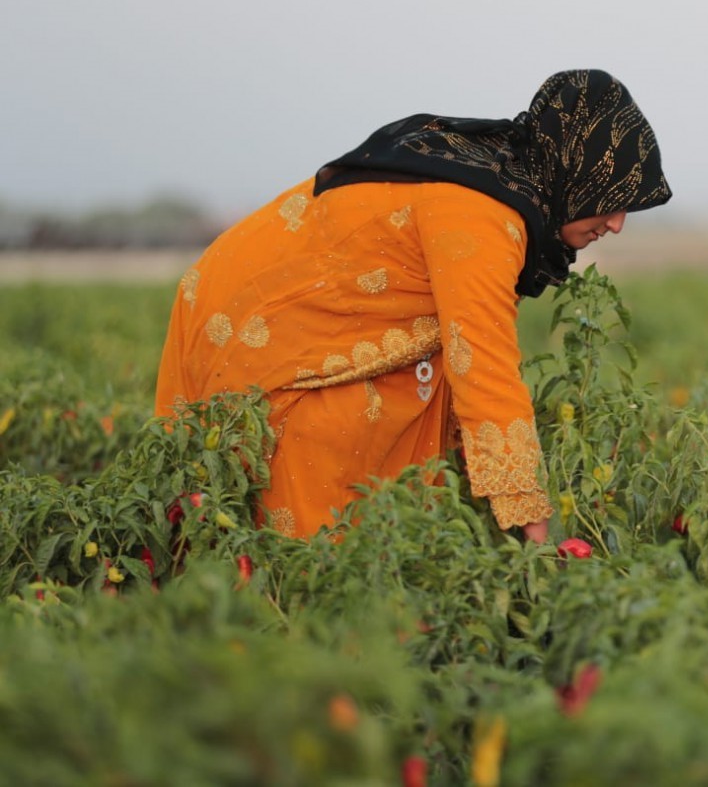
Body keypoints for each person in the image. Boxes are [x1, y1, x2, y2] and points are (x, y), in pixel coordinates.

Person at [156, 69, 671, 541]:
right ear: (572, 172)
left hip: (259, 308)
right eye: (612, 196)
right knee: (321, 555)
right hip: (256, 329)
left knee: (405, 458)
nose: (618, 222)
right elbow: (484, 364)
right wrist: (530, 522)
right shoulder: (483, 216)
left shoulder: (494, 183)